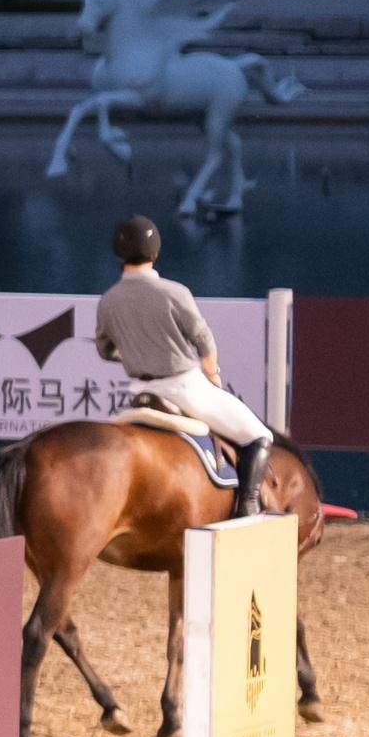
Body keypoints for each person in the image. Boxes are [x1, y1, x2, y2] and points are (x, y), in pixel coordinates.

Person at [95, 214, 271, 517]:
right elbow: (204, 340)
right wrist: (212, 375)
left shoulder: (108, 300)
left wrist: (137, 352)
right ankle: (249, 506)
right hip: (185, 387)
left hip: (139, 390)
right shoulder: (174, 292)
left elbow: (105, 349)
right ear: (155, 253)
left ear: (118, 255)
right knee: (259, 436)